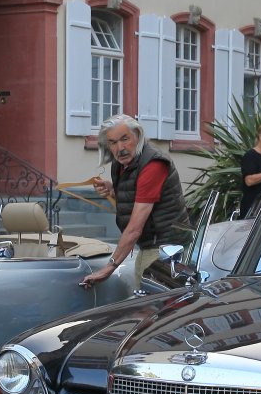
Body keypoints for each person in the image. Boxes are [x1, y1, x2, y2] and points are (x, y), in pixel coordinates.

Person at [81, 114, 193, 288]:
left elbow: (134, 230)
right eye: (113, 142)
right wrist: (113, 189)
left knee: (154, 301)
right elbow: (141, 192)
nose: (120, 148)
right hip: (150, 245)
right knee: (144, 297)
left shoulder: (153, 164)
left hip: (166, 249)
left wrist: (108, 268)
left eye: (125, 139)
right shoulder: (122, 164)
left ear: (138, 136)